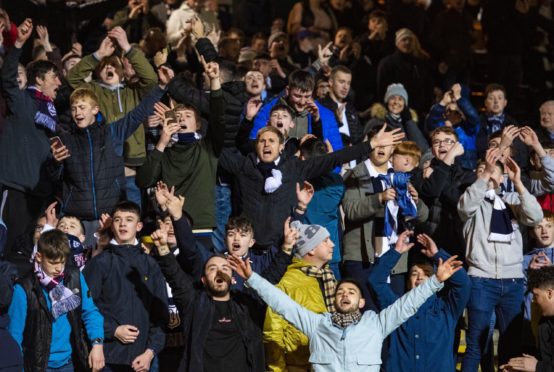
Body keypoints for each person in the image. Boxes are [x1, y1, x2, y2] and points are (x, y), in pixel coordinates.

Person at [228, 230, 464, 372]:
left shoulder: (376, 324)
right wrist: (252, 278)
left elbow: (407, 305)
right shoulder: (318, 324)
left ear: (362, 302)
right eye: (341, 292)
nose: (345, 294)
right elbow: (282, 303)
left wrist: (435, 282)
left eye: (352, 292)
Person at [220, 124, 405, 250]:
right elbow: (217, 146)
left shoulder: (294, 168)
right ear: (256, 146)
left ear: (281, 147)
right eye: (262, 141)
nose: (266, 144)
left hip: (281, 249)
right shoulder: (243, 167)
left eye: (271, 141)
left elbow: (333, 159)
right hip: (247, 249)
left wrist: (370, 144)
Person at [50, 66, 172, 246]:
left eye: (82, 107)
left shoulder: (112, 133)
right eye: (74, 108)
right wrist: (55, 162)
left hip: (109, 216)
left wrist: (161, 87)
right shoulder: (66, 139)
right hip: (78, 220)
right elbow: (56, 178)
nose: (77, 113)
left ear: (95, 109)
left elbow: (137, 114)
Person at [458, 148, 543, 371]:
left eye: (495, 171)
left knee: (511, 345)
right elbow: (465, 206)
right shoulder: (473, 202)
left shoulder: (513, 199)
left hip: (513, 281)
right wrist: (486, 172)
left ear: (503, 176)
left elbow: (536, 216)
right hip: (481, 279)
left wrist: (518, 183)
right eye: (483, 170)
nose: (489, 173)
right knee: (476, 344)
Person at [150, 224, 266, 372]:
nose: (219, 272)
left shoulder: (247, 305)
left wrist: (287, 247)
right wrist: (163, 249)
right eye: (212, 269)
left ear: (232, 278)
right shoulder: (194, 303)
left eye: (225, 268)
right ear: (204, 280)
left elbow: (271, 279)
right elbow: (176, 277)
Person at [136, 58, 225, 243]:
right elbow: (143, 180)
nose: (182, 119)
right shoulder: (166, 151)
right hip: (171, 227)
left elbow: (218, 117)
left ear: (198, 123)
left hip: (201, 227)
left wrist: (215, 82)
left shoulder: (208, 147)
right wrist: (162, 141)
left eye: (187, 116)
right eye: (178, 116)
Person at [67, 27, 159, 206]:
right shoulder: (93, 90)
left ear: (122, 71)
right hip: (104, 165)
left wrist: (127, 47)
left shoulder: (133, 91)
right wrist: (98, 54)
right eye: (103, 65)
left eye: (114, 65)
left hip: (131, 164)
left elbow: (151, 79)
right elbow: (72, 79)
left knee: (133, 212)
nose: (109, 67)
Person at [342, 129, 428, 309]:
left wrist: (416, 202)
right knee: (367, 313)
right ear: (369, 145)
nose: (381, 148)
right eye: (377, 143)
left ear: (393, 150)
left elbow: (422, 216)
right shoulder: (355, 174)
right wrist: (379, 198)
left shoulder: (399, 176)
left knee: (392, 313)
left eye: (386, 144)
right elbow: (350, 210)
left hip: (394, 257)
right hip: (362, 257)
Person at [0, 19, 61, 263]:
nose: (58, 82)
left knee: (33, 255)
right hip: (15, 189)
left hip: (41, 193)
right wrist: (18, 45)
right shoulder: (22, 101)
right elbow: (6, 78)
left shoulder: (53, 112)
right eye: (54, 77)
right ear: (39, 80)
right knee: (9, 250)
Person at [83, 201, 168, 371]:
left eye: (129, 219)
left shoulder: (150, 264)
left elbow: (160, 315)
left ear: (139, 226)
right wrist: (112, 330)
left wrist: (150, 352)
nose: (122, 224)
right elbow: (86, 307)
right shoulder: (99, 263)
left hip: (143, 360)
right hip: (107, 357)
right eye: (117, 220)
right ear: (112, 226)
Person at [369, 232, 471, 372]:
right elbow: (376, 280)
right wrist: (396, 252)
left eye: (426, 273)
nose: (420, 277)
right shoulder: (395, 307)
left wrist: (437, 254)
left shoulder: (446, 309)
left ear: (437, 280)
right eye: (414, 273)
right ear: (408, 282)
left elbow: (463, 284)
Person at [8, 230, 105, 371]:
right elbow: (14, 337)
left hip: (70, 363)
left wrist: (97, 344)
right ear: (39, 257)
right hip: (38, 366)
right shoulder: (23, 289)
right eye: (53, 263)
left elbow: (90, 312)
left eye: (62, 262)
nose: (59, 269)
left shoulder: (74, 277)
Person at [263, 219, 336, 371]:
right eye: (325, 241)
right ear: (310, 249)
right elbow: (273, 334)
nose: (332, 244)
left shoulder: (329, 278)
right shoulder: (287, 283)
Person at [411, 126, 476, 259]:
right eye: (436, 142)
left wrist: (436, 174)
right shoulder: (420, 173)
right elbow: (431, 191)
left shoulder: (467, 176)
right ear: (432, 150)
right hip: (424, 242)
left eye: (448, 141)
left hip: (455, 245)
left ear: (457, 147)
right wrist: (448, 158)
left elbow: (460, 203)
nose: (442, 144)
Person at [249, 69, 344, 153]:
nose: (302, 102)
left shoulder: (326, 115)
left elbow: (337, 154)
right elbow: (254, 144)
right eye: (297, 96)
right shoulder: (268, 111)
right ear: (287, 90)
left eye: (307, 96)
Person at [500, 266, 554, 372]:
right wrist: (520, 368)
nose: (533, 301)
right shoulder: (544, 324)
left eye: (536, 295)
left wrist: (537, 366)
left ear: (549, 293)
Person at [425, 83, 480, 170]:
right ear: (444, 114)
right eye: (449, 111)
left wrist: (459, 98)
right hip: (444, 171)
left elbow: (473, 117)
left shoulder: (468, 129)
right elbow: (431, 120)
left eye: (457, 112)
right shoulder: (440, 127)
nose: (453, 114)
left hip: (466, 173)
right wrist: (443, 102)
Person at [365, 83, 429, 153]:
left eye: (400, 99)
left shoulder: (408, 124)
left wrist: (409, 121)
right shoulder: (375, 122)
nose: (396, 102)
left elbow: (422, 149)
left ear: (405, 104)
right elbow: (365, 147)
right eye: (392, 98)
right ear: (387, 101)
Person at [319, 65, 364, 146]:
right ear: (331, 82)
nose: (345, 87)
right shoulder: (321, 106)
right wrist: (336, 121)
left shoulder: (351, 109)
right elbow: (321, 135)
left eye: (348, 83)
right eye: (341, 82)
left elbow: (359, 138)